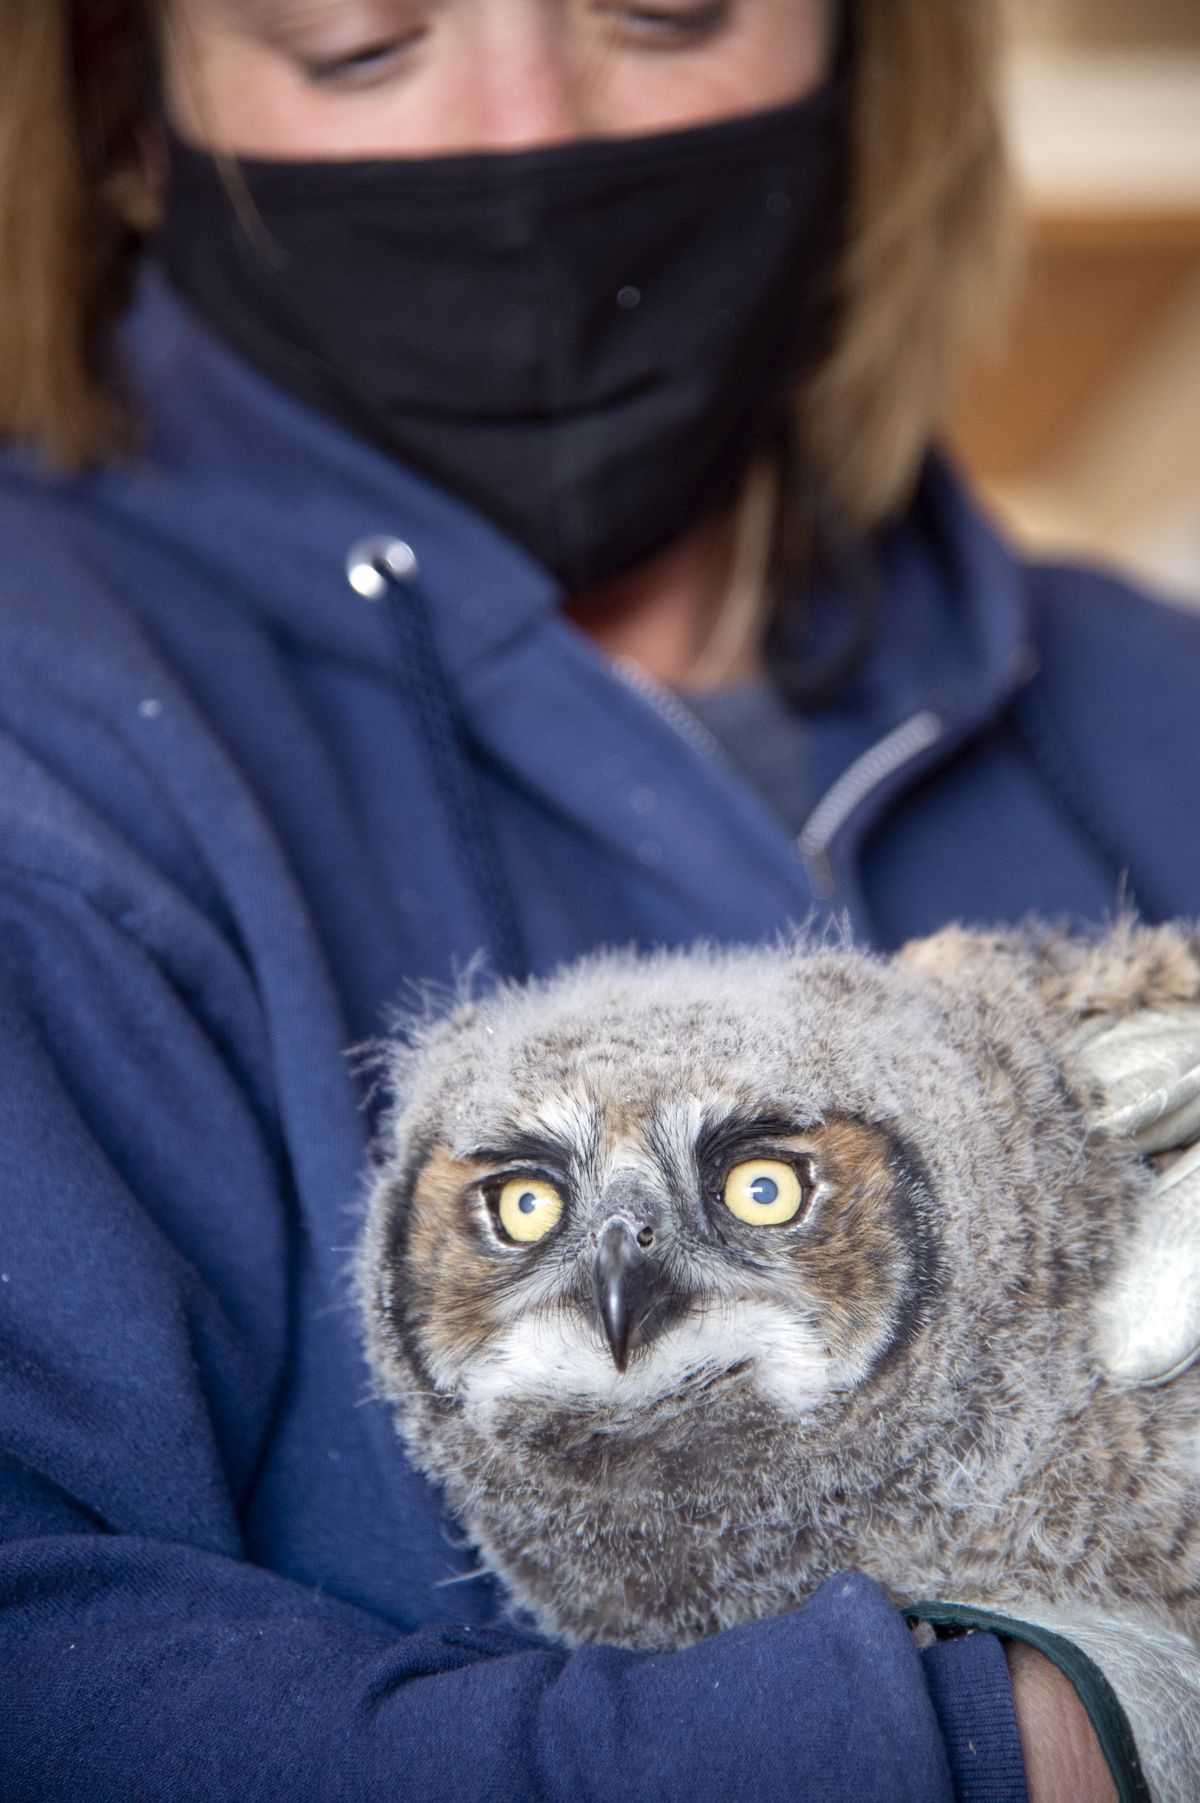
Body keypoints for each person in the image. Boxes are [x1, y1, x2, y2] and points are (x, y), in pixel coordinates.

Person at [0, 0, 1197, 1797]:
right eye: (359, 38)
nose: (525, 132)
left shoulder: (1149, 708)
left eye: (664, 9)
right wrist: (1039, 1744)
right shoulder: (48, 746)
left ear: (875, 58)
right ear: (127, 117)